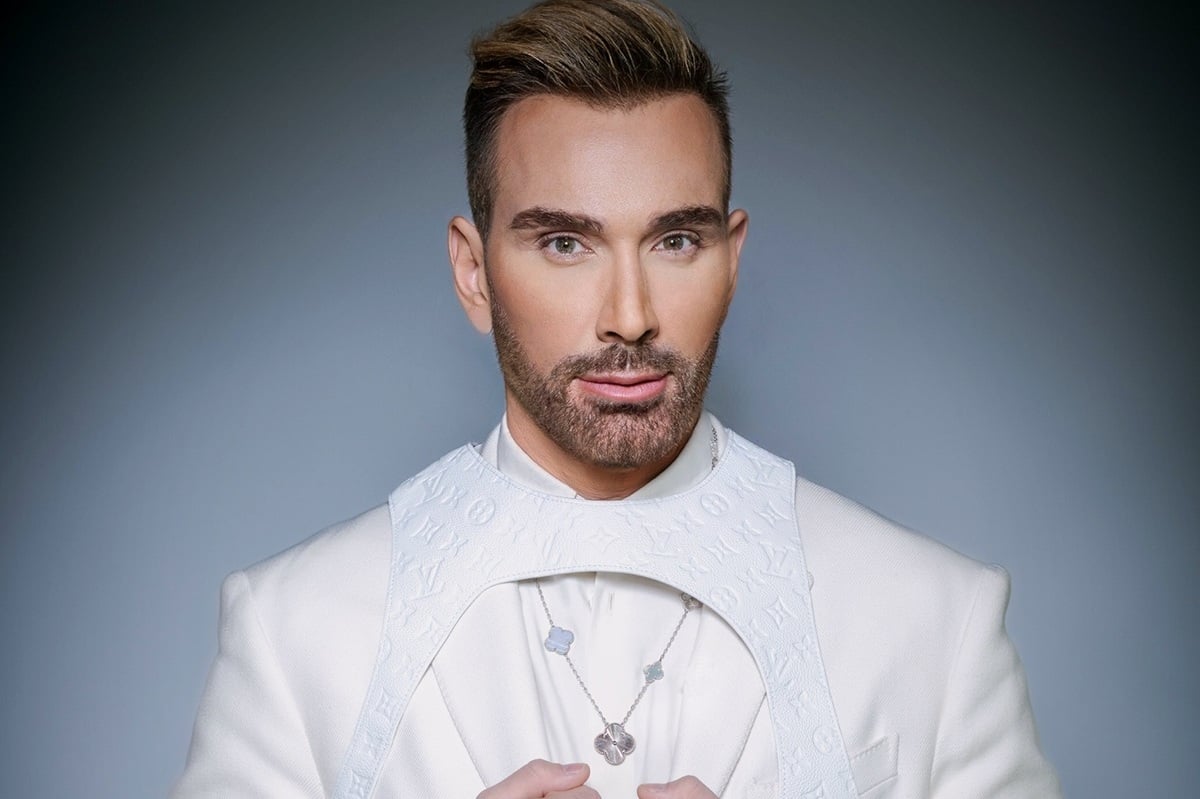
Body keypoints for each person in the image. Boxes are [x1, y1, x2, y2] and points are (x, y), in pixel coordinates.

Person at [173, 1, 1061, 796]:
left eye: (676, 240)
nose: (629, 317)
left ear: (731, 261)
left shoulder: (935, 616)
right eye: (564, 243)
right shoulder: (294, 628)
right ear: (474, 273)